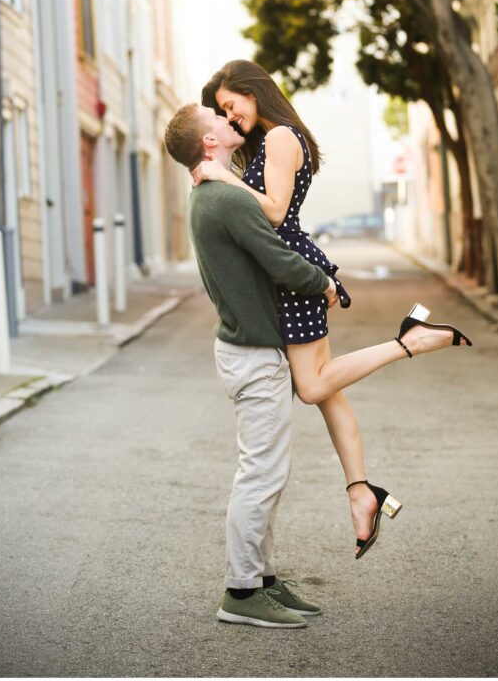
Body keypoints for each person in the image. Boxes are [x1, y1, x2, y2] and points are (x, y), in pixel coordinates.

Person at [196, 59, 472, 560]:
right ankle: (361, 492)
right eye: (222, 113)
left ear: (251, 90)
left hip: (293, 275)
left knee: (313, 386)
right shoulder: (273, 138)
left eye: (229, 105)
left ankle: (409, 341)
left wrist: (219, 175)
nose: (229, 117)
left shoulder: (280, 137)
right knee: (328, 390)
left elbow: (276, 212)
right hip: (287, 272)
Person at [164, 101, 339, 628]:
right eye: (214, 118)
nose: (226, 119)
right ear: (208, 144)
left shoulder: (208, 195)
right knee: (260, 475)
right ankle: (241, 592)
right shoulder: (223, 200)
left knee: (267, 472)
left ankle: (261, 578)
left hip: (248, 351)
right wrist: (324, 282)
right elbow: (279, 260)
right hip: (254, 355)